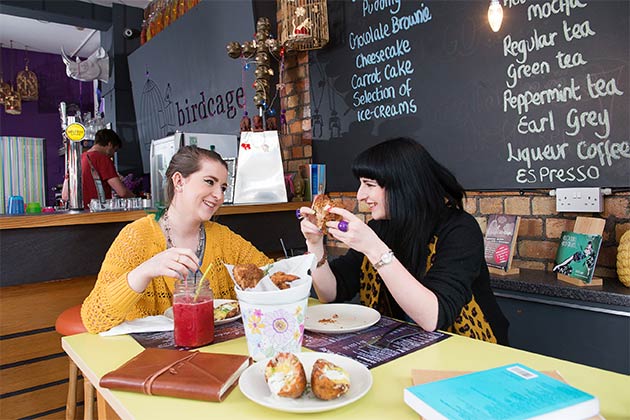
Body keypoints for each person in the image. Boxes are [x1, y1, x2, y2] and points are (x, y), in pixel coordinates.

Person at [298, 138, 509, 344]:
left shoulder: (459, 229)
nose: (360, 195)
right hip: (407, 345)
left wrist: (375, 249)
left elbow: (432, 317)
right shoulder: (380, 228)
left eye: (369, 184)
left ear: (402, 185)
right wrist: (315, 245)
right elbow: (331, 293)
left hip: (471, 350)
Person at [81, 145, 272, 333]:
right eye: (209, 182)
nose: (219, 196)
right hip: (154, 358)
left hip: (218, 352)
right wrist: (144, 271)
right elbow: (94, 319)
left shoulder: (224, 238)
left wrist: (304, 245)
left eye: (222, 187)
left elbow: (274, 278)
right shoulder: (136, 237)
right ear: (179, 181)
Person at [61, 128, 135, 208]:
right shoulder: (103, 159)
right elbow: (122, 192)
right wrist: (136, 198)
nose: (113, 154)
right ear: (110, 144)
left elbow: (65, 196)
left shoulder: (76, 160)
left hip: (79, 214)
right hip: (98, 213)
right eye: (114, 150)